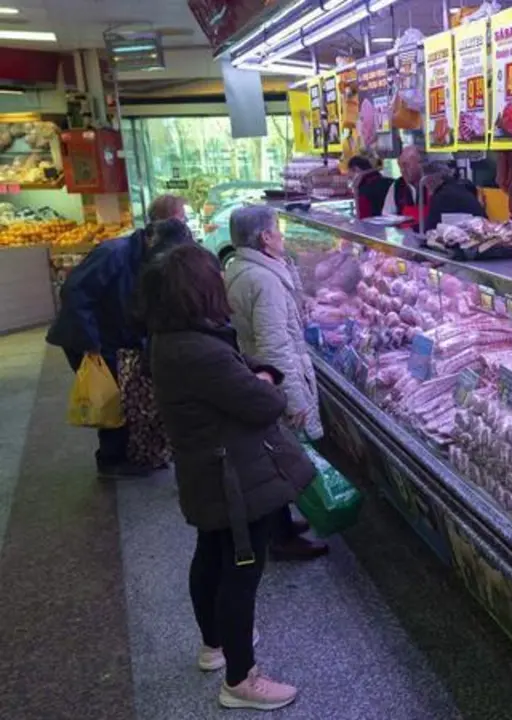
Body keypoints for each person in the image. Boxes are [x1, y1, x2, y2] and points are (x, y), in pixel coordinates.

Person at [141, 244, 312, 711]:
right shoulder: (200, 351)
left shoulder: (171, 338)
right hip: (234, 476)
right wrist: (266, 382)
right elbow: (264, 406)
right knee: (241, 571)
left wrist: (247, 378)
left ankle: (213, 645)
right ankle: (241, 679)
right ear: (199, 291)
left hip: (205, 468)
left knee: (211, 555)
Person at [46, 194, 188, 477]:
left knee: (123, 393)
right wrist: (91, 345)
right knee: (111, 396)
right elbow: (74, 292)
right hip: (89, 337)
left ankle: (126, 453)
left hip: (113, 335)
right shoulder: (114, 253)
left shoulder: (149, 257)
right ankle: (111, 461)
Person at [224, 205, 329, 562]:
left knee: (272, 455)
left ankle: (281, 523)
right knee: (278, 456)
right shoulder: (264, 280)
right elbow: (274, 347)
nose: (282, 236)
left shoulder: (240, 267)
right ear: (266, 237)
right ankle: (281, 535)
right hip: (273, 379)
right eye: (278, 230)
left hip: (258, 374)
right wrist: (293, 398)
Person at [421, 160, 487, 231]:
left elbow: (429, 229)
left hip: (473, 236)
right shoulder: (462, 187)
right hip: (486, 231)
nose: (425, 185)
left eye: (426, 180)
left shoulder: (441, 196)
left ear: (431, 179)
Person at [381, 145, 425, 225]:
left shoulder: (431, 184)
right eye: (400, 166)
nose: (402, 170)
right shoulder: (396, 186)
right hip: (404, 234)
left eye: (406, 165)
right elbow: (387, 216)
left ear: (420, 164)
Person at [347, 155, 393, 220]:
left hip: (372, 227)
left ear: (356, 169)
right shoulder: (389, 181)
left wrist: (356, 189)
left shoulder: (364, 189)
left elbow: (362, 218)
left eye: (350, 175)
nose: (349, 176)